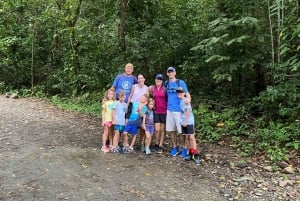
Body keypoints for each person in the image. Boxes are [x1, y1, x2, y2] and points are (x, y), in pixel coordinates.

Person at [165, 67, 191, 157]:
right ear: (167, 74)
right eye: (169, 72)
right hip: (169, 110)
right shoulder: (166, 83)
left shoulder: (180, 82)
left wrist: (188, 100)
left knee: (181, 131)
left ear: (175, 73)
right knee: (172, 130)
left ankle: (184, 147)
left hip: (179, 111)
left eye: (172, 71)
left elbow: (187, 94)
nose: (170, 73)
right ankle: (175, 147)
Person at [176, 87, 200, 164]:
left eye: (181, 92)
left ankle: (196, 154)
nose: (179, 94)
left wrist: (186, 121)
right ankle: (190, 152)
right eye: (178, 92)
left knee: (192, 137)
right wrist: (181, 119)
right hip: (183, 121)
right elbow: (182, 111)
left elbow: (188, 112)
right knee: (187, 138)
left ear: (184, 93)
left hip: (189, 121)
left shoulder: (186, 100)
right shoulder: (180, 101)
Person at [127, 74, 148, 152]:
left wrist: (142, 106)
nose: (140, 80)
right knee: (129, 124)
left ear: (144, 79)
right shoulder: (134, 86)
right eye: (138, 78)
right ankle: (127, 143)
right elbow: (130, 96)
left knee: (142, 127)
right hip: (133, 106)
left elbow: (147, 99)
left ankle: (141, 143)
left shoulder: (146, 88)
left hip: (141, 107)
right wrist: (127, 106)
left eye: (141, 78)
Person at [148, 74, 167, 153]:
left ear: (162, 81)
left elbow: (168, 99)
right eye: (157, 79)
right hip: (156, 111)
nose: (158, 80)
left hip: (164, 111)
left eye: (160, 79)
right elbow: (149, 97)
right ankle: (156, 143)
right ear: (155, 80)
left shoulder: (165, 89)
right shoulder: (152, 88)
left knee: (162, 129)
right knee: (157, 129)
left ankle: (160, 144)